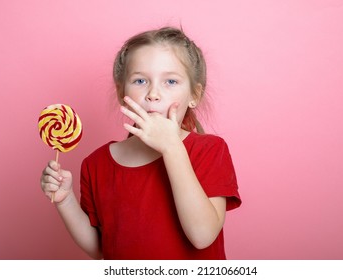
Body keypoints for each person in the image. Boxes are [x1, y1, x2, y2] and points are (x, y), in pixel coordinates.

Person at [40, 26, 241, 260]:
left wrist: (172, 148)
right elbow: (101, 248)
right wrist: (65, 200)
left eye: (171, 82)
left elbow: (202, 235)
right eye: (140, 80)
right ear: (120, 91)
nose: (153, 93)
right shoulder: (95, 164)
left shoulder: (210, 150)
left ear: (194, 95)